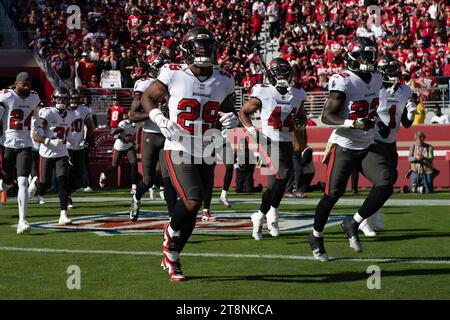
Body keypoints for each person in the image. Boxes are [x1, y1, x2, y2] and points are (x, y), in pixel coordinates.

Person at [140, 27, 239, 281]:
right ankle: (169, 229)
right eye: (198, 48)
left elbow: (227, 112)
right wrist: (159, 118)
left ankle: (172, 259)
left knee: (193, 215)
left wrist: (232, 119)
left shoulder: (225, 79)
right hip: (178, 146)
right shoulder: (173, 73)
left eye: (207, 47)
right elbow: (147, 98)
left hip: (206, 148)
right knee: (193, 199)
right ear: (186, 51)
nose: (203, 52)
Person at [309, 37, 395, 261]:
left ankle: (353, 223)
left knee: (386, 181)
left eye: (370, 57)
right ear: (351, 58)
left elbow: (374, 105)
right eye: (362, 57)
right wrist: (352, 123)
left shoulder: (377, 77)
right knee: (332, 195)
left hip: (367, 143)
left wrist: (378, 122)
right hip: (345, 145)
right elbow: (326, 116)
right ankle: (316, 236)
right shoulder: (343, 80)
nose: (367, 62)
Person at [239, 57, 307, 240]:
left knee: (276, 184)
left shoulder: (298, 94)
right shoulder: (263, 91)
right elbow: (243, 112)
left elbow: (301, 117)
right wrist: (252, 130)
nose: (283, 76)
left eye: (286, 72)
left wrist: (301, 122)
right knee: (283, 175)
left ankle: (265, 216)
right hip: (268, 141)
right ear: (271, 75)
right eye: (279, 72)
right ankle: (267, 215)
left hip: (286, 142)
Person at [358, 55, 416, 237]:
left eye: (395, 70)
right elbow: (365, 110)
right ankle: (362, 220)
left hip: (391, 141)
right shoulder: (374, 89)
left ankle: (373, 210)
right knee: (382, 180)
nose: (394, 74)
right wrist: (378, 124)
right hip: (373, 140)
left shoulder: (405, 90)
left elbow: (406, 123)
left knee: (390, 181)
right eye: (389, 70)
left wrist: (411, 113)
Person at [128, 53, 178, 222]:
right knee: (148, 180)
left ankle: (173, 221)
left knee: (168, 179)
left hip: (168, 135)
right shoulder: (145, 84)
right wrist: (155, 114)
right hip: (151, 134)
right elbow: (133, 115)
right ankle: (136, 198)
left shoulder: (173, 83)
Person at [0, 72, 44, 234]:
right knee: (6, 181)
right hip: (7, 144)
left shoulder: (34, 97)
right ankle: (2, 186)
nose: (26, 87)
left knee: (24, 182)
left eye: (29, 84)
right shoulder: (6, 96)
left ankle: (22, 221)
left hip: (24, 144)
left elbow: (36, 118)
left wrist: (39, 131)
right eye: (23, 84)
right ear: (16, 83)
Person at [29, 87, 76, 225]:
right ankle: (36, 182)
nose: (61, 101)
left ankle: (63, 214)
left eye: (64, 99)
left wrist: (75, 139)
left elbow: (72, 130)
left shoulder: (71, 114)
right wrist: (48, 141)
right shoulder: (47, 113)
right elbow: (35, 135)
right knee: (45, 183)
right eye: (59, 98)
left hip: (62, 153)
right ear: (54, 99)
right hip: (47, 153)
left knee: (63, 181)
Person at [65, 89, 95, 208]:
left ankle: (68, 192)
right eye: (71, 99)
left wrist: (87, 139)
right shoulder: (63, 111)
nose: (73, 101)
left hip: (79, 146)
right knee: (67, 172)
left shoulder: (84, 110)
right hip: (67, 146)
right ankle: (67, 197)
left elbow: (90, 127)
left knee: (79, 174)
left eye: (75, 99)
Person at [98, 119, 139, 193]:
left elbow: (135, 135)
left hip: (129, 146)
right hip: (119, 147)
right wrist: (123, 138)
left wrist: (135, 143)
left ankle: (134, 187)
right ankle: (104, 173)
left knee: (134, 164)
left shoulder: (138, 123)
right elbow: (112, 133)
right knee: (114, 166)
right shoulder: (124, 123)